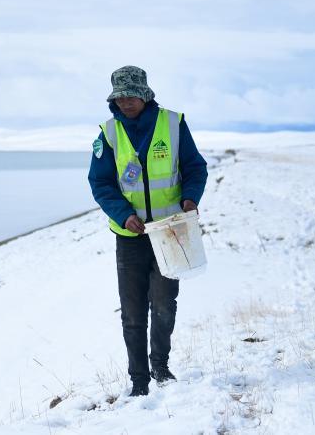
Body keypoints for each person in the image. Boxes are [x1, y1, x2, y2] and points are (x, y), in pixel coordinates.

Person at [87, 65, 208, 397]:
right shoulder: (108, 134)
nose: (126, 102)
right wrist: (124, 215)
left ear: (145, 94)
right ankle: (138, 380)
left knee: (165, 304)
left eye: (131, 95)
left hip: (169, 233)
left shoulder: (173, 124)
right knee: (133, 311)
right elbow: (100, 183)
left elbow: (196, 168)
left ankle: (160, 367)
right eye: (120, 96)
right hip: (130, 238)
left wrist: (189, 199)